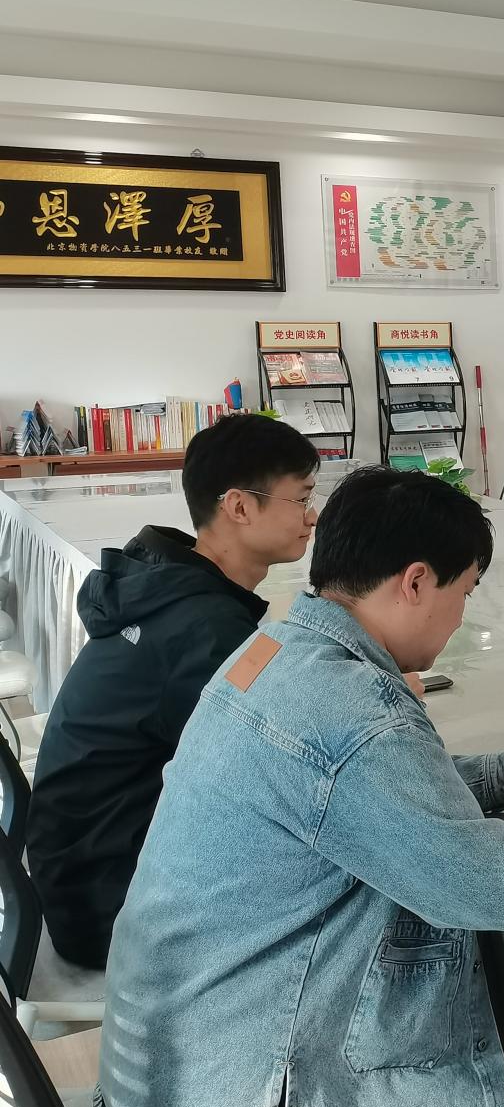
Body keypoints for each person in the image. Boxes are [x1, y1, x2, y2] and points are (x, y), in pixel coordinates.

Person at [94, 467, 504, 1107]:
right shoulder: (356, 711)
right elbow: (493, 888)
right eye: (465, 592)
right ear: (416, 581)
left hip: (166, 1066)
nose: (462, 617)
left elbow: (359, 790)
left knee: (501, 1081)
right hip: (235, 1106)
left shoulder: (272, 651)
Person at [25, 412, 320, 970]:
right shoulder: (205, 629)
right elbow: (278, 773)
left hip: (75, 871)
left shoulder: (164, 588)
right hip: (113, 907)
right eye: (301, 498)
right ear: (239, 507)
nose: (312, 516)